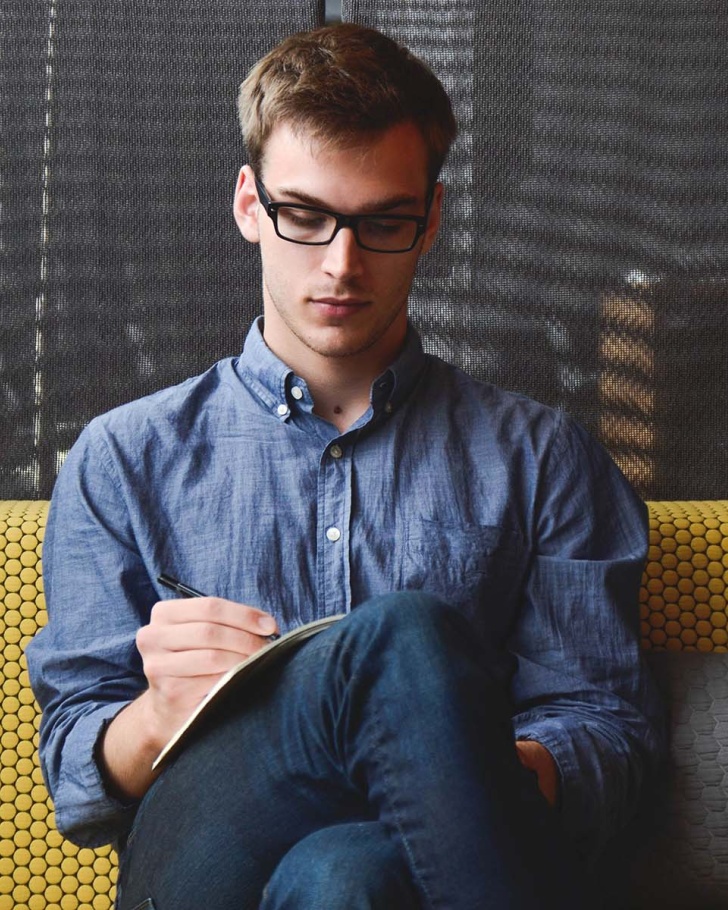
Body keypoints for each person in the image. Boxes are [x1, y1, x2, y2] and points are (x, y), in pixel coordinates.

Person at [27, 22, 664, 910]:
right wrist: (159, 713)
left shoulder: (544, 458)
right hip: (201, 865)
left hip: (404, 868)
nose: (341, 263)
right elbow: (74, 774)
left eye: (383, 223)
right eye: (306, 215)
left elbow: (608, 741)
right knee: (403, 640)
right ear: (250, 205)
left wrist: (440, 757)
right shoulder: (124, 457)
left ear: (432, 219)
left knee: (345, 876)